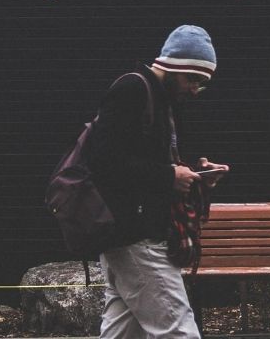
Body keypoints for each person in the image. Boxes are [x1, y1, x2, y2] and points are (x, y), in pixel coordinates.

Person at [88, 25, 227, 339]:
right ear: (175, 66)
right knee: (179, 331)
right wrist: (169, 176)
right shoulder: (133, 90)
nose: (195, 90)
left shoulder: (160, 99)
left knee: (123, 332)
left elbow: (143, 163)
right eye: (193, 79)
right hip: (137, 235)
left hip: (129, 237)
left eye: (202, 84)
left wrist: (195, 173)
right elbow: (103, 162)